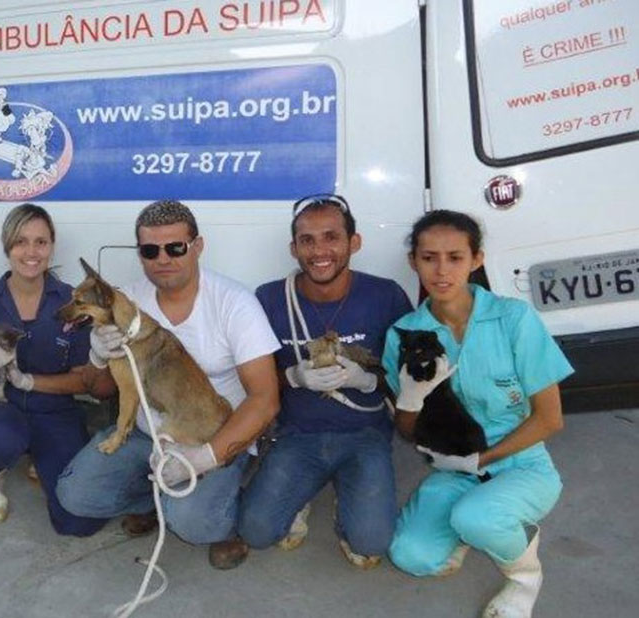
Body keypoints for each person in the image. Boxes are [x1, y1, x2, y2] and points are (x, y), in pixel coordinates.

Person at [56, 199, 280, 569]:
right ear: (140, 254)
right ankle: (158, 497)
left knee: (194, 523)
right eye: (150, 250)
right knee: (74, 495)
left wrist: (207, 456)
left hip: (210, 434)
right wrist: (97, 356)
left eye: (176, 247)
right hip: (148, 432)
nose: (163, 258)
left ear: (197, 246)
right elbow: (98, 390)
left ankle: (227, 502)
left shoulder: (234, 303)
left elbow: (266, 400)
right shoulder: (124, 302)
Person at [383, 210, 572, 618]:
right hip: (452, 467)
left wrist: (482, 460)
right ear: (413, 262)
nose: (441, 270)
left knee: (477, 517)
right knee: (411, 555)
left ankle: (524, 575)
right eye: (429, 257)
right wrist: (412, 399)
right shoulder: (405, 332)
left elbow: (550, 420)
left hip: (522, 463)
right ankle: (478, 521)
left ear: (477, 259)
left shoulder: (513, 318)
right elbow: (405, 429)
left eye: (455, 257)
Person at [238, 194, 413, 568]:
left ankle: (345, 499)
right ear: (293, 248)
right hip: (296, 434)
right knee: (256, 531)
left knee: (371, 542)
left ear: (354, 242)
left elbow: (408, 376)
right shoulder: (269, 299)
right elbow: (255, 381)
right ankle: (301, 491)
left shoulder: (386, 295)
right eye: (307, 240)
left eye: (332, 237)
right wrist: (292, 376)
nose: (320, 250)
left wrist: (368, 380)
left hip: (364, 434)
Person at [0, 203, 111, 536]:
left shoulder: (72, 302)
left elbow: (85, 381)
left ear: (52, 246)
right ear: (7, 245)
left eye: (40, 242)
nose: (31, 252)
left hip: (54, 411)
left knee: (79, 522)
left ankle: (41, 457)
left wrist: (27, 381)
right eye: (21, 241)